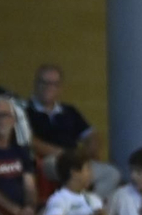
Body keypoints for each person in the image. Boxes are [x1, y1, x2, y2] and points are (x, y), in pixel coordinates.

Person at [26, 64, 116, 199]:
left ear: (60, 87)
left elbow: (91, 135)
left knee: (111, 173)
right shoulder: (25, 110)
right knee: (72, 171)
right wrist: (64, 155)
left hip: (75, 159)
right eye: (44, 82)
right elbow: (29, 140)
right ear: (36, 84)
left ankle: (88, 207)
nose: (49, 87)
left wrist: (90, 152)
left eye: (54, 83)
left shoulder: (69, 111)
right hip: (47, 161)